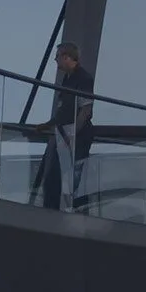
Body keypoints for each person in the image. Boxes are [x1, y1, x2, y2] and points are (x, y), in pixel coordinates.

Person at [37, 42, 94, 211]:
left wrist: (73, 134)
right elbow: (64, 109)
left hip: (76, 137)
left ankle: (78, 215)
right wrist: (49, 124)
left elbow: (85, 110)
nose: (55, 60)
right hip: (64, 134)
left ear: (67, 57)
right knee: (54, 178)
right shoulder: (67, 78)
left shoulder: (83, 78)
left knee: (74, 180)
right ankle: (52, 212)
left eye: (57, 56)